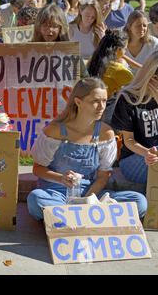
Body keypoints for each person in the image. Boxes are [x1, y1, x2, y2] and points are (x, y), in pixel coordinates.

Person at [27, 77, 147, 221]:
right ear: (78, 102)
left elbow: (103, 176)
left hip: (91, 193)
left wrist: (88, 199)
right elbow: (38, 168)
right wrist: (62, 178)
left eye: (104, 101)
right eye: (95, 101)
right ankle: (90, 219)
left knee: (139, 201)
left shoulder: (106, 133)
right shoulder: (54, 131)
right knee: (35, 199)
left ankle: (69, 219)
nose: (101, 107)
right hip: (57, 193)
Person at [111, 52, 158, 192]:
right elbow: (129, 140)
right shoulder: (128, 99)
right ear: (151, 77)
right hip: (134, 158)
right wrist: (147, 153)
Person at [32, 4, 89, 78]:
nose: (50, 30)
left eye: (54, 25)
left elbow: (86, 79)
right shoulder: (27, 50)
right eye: (45, 25)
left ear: (61, 28)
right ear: (38, 27)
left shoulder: (72, 52)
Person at [87, 29, 133, 98]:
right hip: (108, 104)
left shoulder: (93, 61)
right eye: (125, 49)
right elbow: (134, 86)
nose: (125, 52)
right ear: (118, 49)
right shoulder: (119, 70)